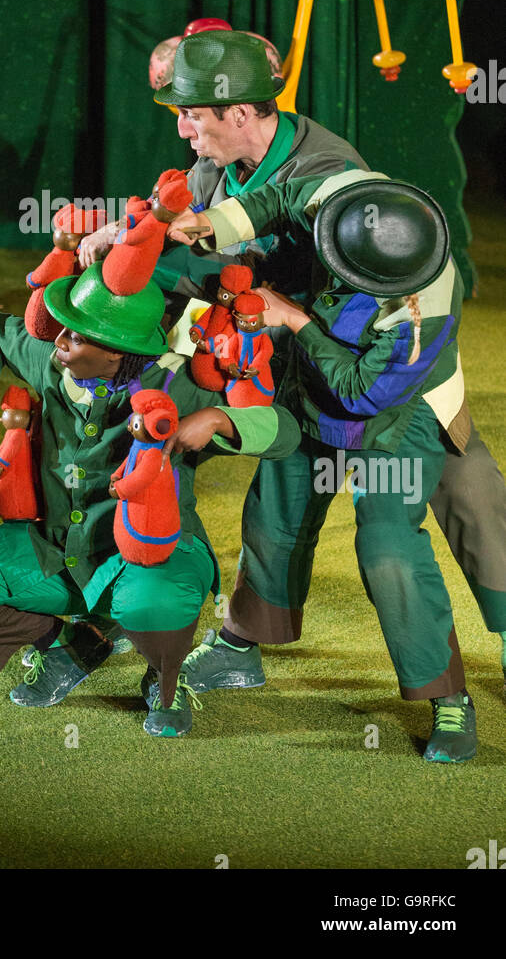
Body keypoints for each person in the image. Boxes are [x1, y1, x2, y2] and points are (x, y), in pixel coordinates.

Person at [80, 26, 506, 680]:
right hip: (293, 359)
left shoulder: (334, 173)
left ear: (239, 111)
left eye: (192, 116)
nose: (184, 131)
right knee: (280, 500)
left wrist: (288, 321)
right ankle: (238, 644)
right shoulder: (227, 161)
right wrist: (143, 228)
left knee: (468, 498)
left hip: (380, 368)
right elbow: (240, 208)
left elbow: (371, 371)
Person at [0, 262, 300, 739]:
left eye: (79, 335)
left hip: (148, 559)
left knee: (152, 604)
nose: (61, 339)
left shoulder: (177, 388)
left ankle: (165, 682)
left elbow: (286, 432)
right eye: (67, 326)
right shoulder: (52, 362)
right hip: (53, 552)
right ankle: (72, 644)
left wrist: (217, 418)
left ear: (117, 354)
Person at [169, 173, 489, 762]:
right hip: (310, 393)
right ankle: (241, 647)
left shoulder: (425, 312)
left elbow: (361, 394)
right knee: (275, 515)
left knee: (388, 547)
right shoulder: (346, 194)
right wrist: (214, 225)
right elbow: (274, 199)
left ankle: (450, 696)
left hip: (394, 418)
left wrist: (294, 320)